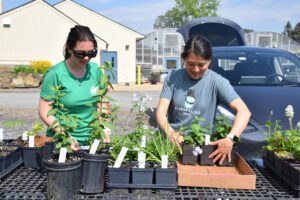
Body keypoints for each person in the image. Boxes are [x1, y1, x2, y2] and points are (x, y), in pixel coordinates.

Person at [156, 35, 251, 164]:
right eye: (190, 64)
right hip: (172, 144)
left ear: (209, 61)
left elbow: (244, 112)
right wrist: (171, 132)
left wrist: (230, 138)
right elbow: (161, 112)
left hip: (202, 148)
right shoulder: (173, 78)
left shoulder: (218, 82)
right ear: (183, 59)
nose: (195, 70)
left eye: (201, 65)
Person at [39, 25, 110, 151]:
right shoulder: (56, 74)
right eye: (81, 53)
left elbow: (102, 103)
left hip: (92, 140)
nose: (86, 58)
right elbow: (45, 111)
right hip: (62, 141)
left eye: (91, 53)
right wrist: (65, 136)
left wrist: (103, 127)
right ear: (70, 48)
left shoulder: (96, 71)